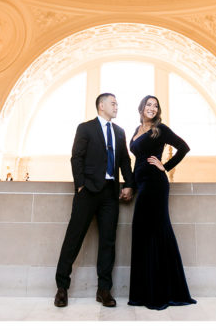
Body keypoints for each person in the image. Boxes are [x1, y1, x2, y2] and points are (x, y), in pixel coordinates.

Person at [54, 92, 134, 308]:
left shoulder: (119, 132)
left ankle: (104, 290)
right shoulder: (85, 128)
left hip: (110, 194)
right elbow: (76, 157)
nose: (117, 106)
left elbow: (125, 160)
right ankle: (62, 288)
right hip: (87, 191)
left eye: (117, 103)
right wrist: (80, 185)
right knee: (74, 238)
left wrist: (129, 183)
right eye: (113, 103)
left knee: (108, 242)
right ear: (101, 106)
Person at [127, 95, 196, 310]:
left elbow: (184, 147)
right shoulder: (136, 130)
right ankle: (142, 293)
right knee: (141, 232)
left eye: (155, 106)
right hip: (142, 184)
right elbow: (136, 160)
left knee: (156, 233)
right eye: (149, 104)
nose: (152, 108)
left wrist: (164, 166)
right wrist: (130, 184)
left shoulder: (161, 129)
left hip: (155, 185)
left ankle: (161, 293)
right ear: (141, 108)